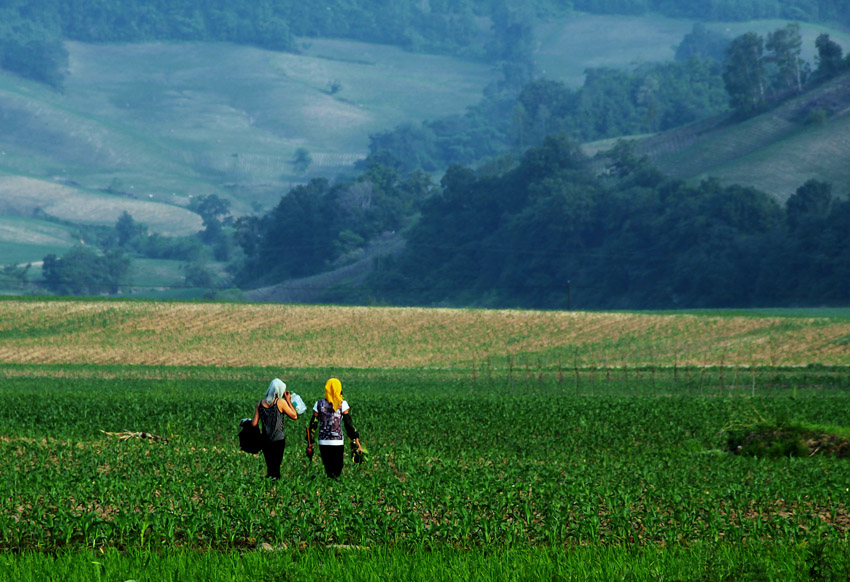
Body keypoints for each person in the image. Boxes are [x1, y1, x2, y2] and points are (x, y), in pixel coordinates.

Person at [306, 378, 363, 478]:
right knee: (337, 469)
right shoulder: (343, 404)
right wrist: (355, 439)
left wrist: (310, 441)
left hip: (323, 441)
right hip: (337, 441)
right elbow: (348, 424)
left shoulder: (318, 404)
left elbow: (313, 424)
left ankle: (328, 489)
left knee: (328, 469)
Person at [251, 378, 298, 479]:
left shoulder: (260, 404)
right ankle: (275, 487)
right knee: (276, 466)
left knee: (270, 466)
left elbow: (254, 423)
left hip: (265, 440)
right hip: (278, 440)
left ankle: (269, 486)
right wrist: (288, 401)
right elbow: (294, 416)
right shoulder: (280, 402)